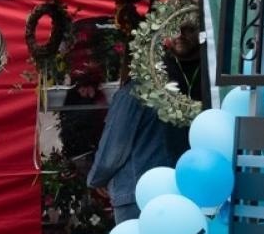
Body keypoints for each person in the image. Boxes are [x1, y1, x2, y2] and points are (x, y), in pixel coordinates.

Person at [86, 24, 201, 223]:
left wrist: (97, 178)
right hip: (182, 188)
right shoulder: (191, 84)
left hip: (138, 192)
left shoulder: (136, 90)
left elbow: (114, 146)